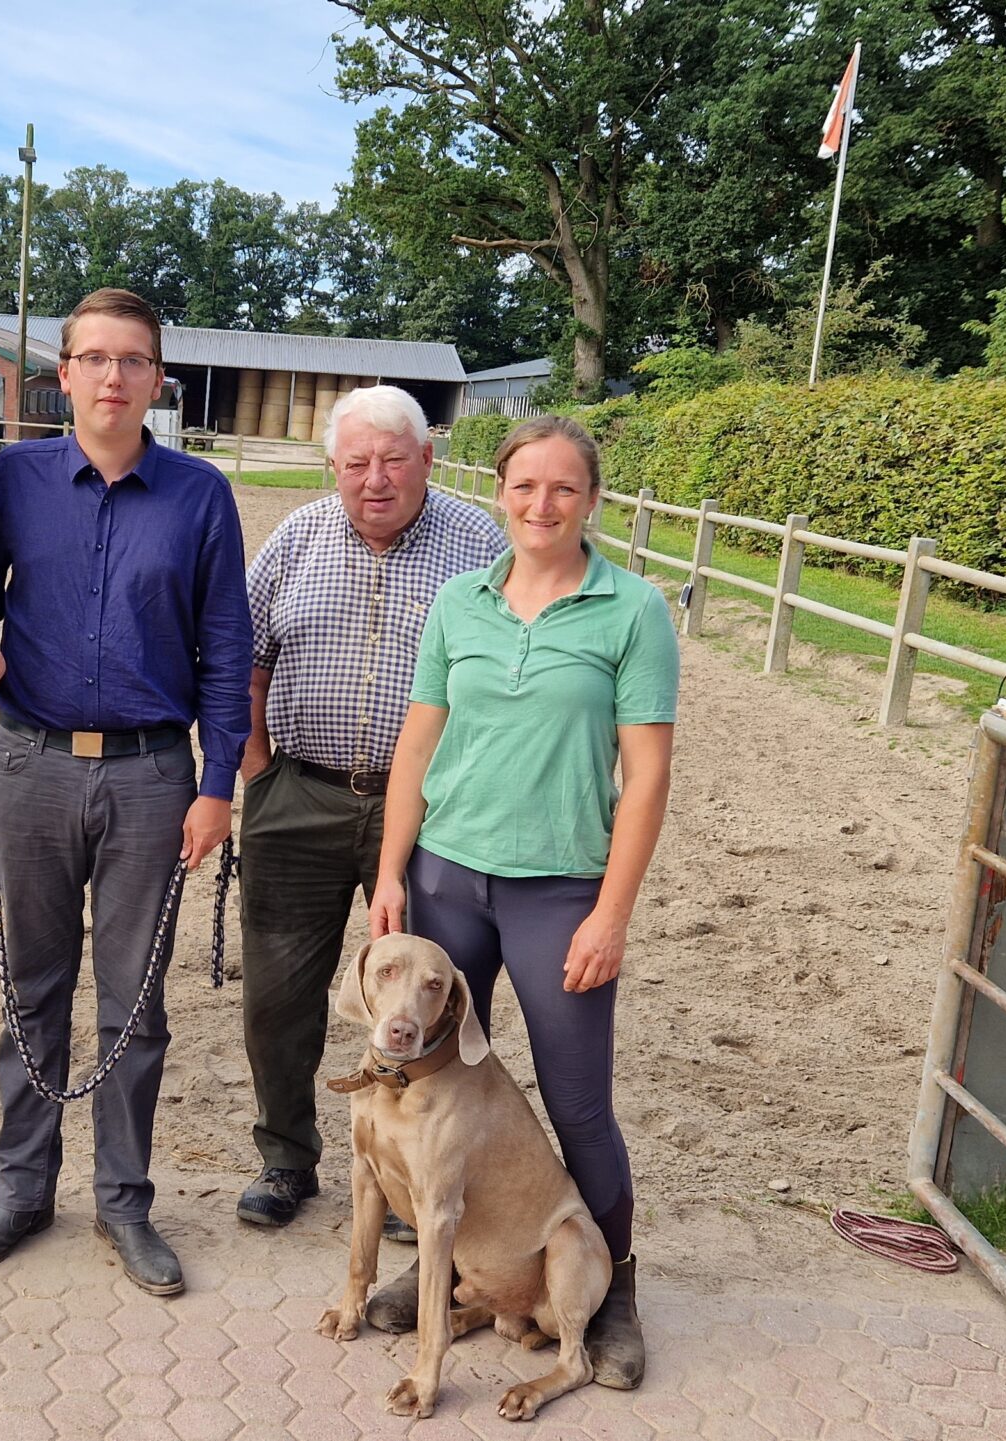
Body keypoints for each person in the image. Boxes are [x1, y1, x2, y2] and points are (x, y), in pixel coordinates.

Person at [0, 287, 252, 1297]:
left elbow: (226, 648)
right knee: (32, 986)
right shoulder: (16, 478)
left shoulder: (200, 496)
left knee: (134, 1005)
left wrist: (215, 787)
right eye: (95, 358)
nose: (114, 377)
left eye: (134, 360)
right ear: (63, 374)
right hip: (27, 764)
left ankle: (124, 1202)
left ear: (158, 379)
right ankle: (23, 1189)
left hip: (154, 778)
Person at [365, 413, 677, 1388]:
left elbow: (649, 774)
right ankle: (448, 1259)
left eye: (563, 489)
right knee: (434, 1083)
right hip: (447, 878)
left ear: (591, 500)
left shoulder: (631, 610)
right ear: (498, 493)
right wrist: (388, 871)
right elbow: (417, 746)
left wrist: (611, 912)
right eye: (524, 486)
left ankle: (613, 1287)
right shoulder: (459, 602)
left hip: (558, 891)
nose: (541, 505)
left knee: (576, 1100)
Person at [233, 386, 502, 1231]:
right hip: (300, 792)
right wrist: (258, 767)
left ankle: (407, 1169)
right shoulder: (294, 539)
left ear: (428, 458)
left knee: (425, 998)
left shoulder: (480, 544)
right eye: (356, 463)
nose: (374, 479)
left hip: (432, 809)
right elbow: (243, 653)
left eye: (394, 460)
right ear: (333, 466)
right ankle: (286, 1156)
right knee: (279, 991)